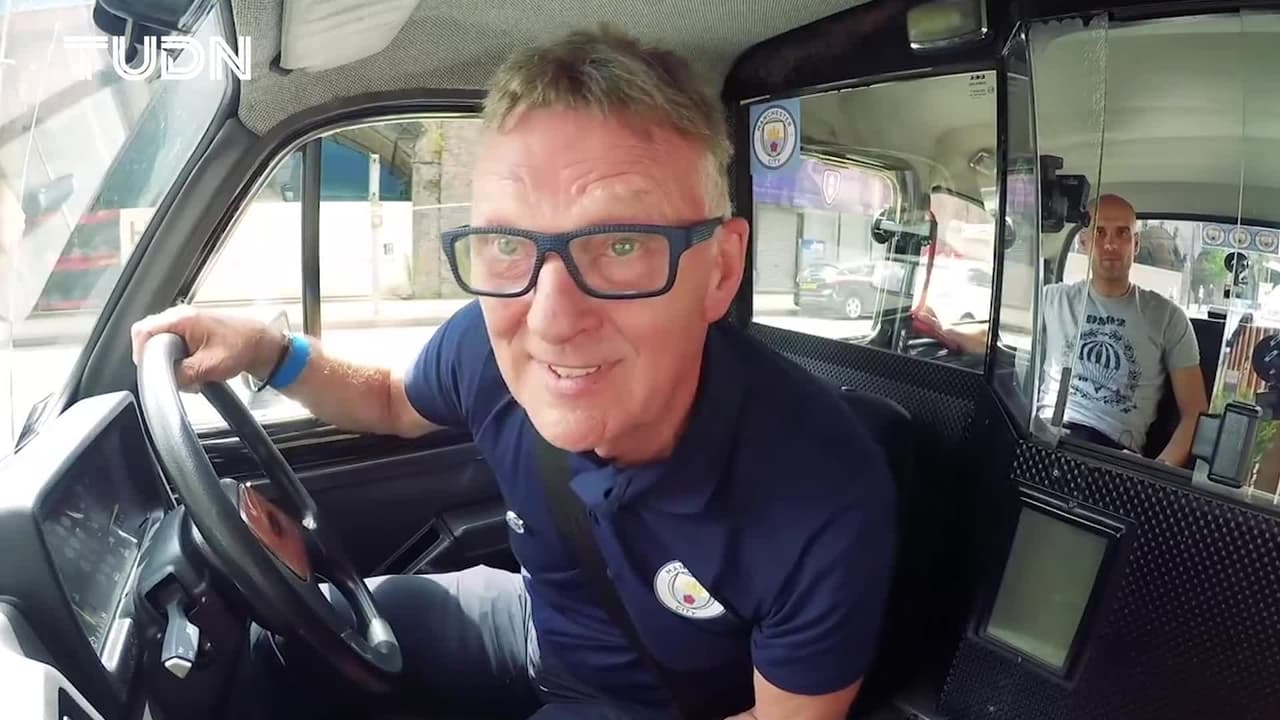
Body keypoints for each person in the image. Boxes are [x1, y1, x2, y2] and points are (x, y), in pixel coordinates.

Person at [131, 26, 895, 720]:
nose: (550, 319)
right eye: (507, 244)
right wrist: (268, 352)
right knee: (302, 641)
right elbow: (391, 401)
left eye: (621, 245)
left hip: (650, 705)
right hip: (531, 626)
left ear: (721, 271)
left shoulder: (823, 496)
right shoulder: (488, 343)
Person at [923, 194, 1207, 465]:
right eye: (1099, 232)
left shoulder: (1168, 318)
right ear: (1083, 242)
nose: (1110, 244)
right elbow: (997, 338)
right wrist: (944, 331)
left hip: (1115, 455)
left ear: (1135, 244)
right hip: (1043, 437)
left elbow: (1195, 412)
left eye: (1122, 233)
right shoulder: (1052, 299)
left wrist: (1157, 471)